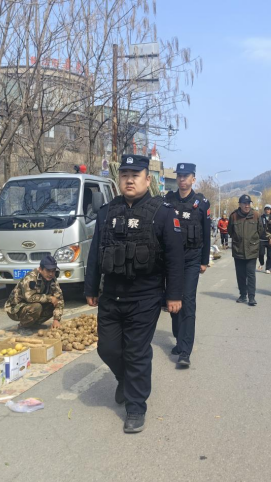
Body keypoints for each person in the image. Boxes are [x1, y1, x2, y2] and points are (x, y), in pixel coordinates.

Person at [84, 154, 184, 434]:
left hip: (145, 296)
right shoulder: (107, 212)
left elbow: (175, 258)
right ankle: (125, 380)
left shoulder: (163, 213)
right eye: (124, 175)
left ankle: (136, 407)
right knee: (107, 348)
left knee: (137, 352)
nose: (129, 180)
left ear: (147, 179)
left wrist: (174, 295)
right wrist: (90, 287)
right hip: (111, 295)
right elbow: (96, 253)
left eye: (135, 175)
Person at [164, 162, 210, 368]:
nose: (182, 179)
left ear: (193, 179)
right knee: (173, 300)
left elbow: (206, 233)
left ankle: (185, 351)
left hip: (192, 258)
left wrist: (204, 261)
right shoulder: (168, 201)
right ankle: (178, 339)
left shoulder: (201, 203)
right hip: (172, 260)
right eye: (179, 176)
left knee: (188, 301)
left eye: (186, 176)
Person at [5, 255, 64, 328]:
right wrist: (50, 298)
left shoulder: (52, 279)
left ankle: (34, 324)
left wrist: (56, 319)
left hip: (31, 304)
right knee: (37, 307)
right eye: (48, 271)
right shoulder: (31, 278)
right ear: (40, 269)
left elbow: (59, 299)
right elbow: (29, 297)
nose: (51, 274)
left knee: (53, 304)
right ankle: (24, 326)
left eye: (53, 271)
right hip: (16, 308)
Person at [229, 194, 263, 306]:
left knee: (251, 274)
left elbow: (260, 230)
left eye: (248, 203)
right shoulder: (234, 216)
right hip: (238, 249)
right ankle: (243, 295)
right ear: (240, 204)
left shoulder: (256, 215)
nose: (247, 206)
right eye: (244, 203)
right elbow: (230, 231)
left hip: (252, 249)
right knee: (240, 274)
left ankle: (252, 297)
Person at [258, 204, 271, 273]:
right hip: (262, 238)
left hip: (270, 239)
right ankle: (261, 263)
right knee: (261, 253)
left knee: (269, 255)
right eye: (266, 209)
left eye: (268, 209)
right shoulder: (261, 217)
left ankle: (268, 268)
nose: (267, 211)